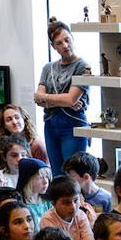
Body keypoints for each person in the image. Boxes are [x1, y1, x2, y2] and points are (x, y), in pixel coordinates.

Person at [35, 19, 91, 174]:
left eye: (67, 40)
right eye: (59, 43)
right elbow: (38, 99)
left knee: (73, 174)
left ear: (72, 38)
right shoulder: (48, 68)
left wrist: (50, 98)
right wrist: (63, 100)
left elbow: (71, 99)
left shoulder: (83, 66)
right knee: (57, 175)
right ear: (53, 46)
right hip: (51, 124)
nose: (65, 46)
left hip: (73, 124)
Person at [38, 175, 95, 240]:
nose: (73, 207)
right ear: (53, 203)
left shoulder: (80, 215)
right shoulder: (48, 219)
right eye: (66, 203)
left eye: (75, 200)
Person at [16, 157, 52, 224]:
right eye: (41, 177)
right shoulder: (20, 203)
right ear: (28, 179)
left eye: (47, 177)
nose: (45, 182)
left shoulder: (47, 201)